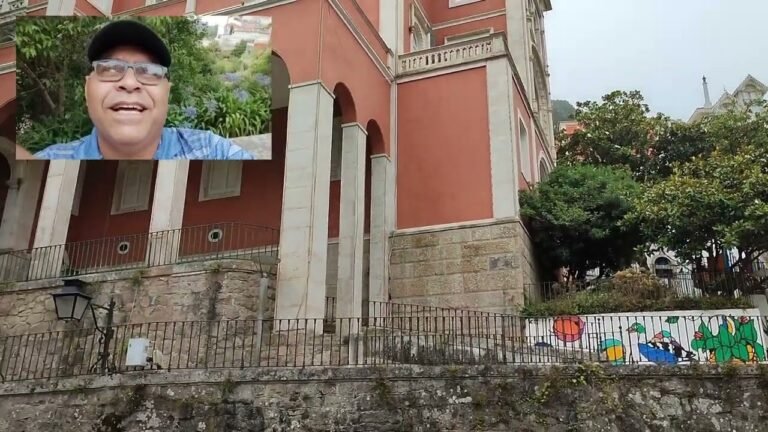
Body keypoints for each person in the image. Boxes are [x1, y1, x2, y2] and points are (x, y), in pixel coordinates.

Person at [33, 20, 255, 160]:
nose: (130, 83)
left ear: (167, 93)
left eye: (149, 71)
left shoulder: (212, 151)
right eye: (110, 69)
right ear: (86, 88)